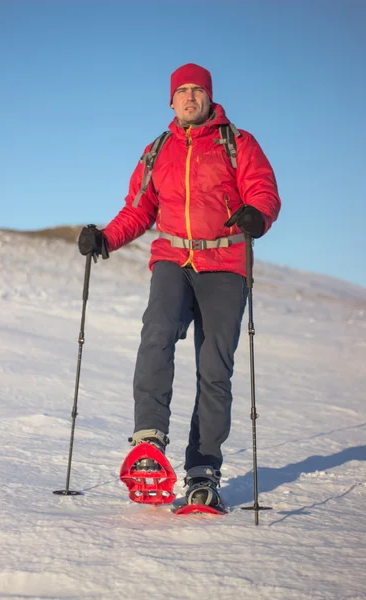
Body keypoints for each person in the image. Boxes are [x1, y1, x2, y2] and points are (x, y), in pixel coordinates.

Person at [78, 63, 281, 508]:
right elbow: (138, 209)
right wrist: (106, 237)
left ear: (209, 98)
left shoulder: (238, 143)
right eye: (182, 91)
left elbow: (263, 191)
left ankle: (202, 470)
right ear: (171, 100)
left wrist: (257, 215)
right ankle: (149, 443)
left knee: (215, 368)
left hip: (225, 262)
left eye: (197, 91)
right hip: (173, 258)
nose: (190, 97)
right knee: (157, 333)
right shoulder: (158, 150)